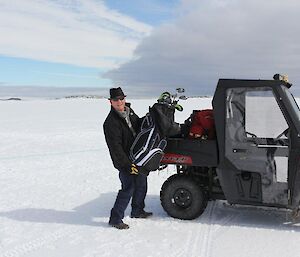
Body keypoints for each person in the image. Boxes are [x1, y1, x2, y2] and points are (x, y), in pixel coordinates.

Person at [103, 87, 152, 230]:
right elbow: (115, 148)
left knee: (141, 183)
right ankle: (115, 218)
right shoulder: (111, 123)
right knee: (128, 187)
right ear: (110, 102)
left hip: (137, 156)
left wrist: (149, 117)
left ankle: (137, 210)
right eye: (115, 100)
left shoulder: (129, 112)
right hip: (124, 160)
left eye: (121, 99)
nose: (119, 102)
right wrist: (126, 165)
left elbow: (137, 125)